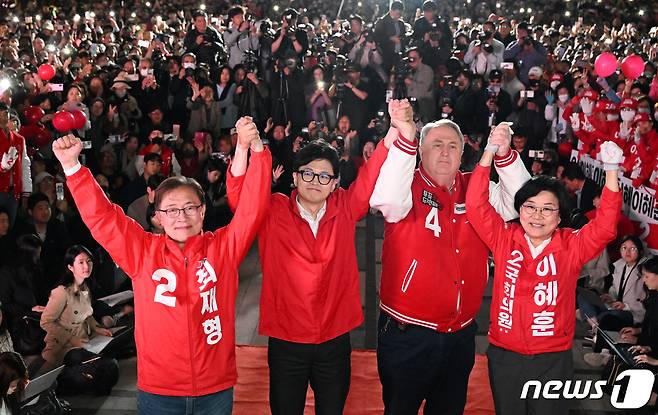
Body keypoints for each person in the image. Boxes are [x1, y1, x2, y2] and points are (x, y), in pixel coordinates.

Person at [51, 115, 270, 414]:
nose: (181, 216)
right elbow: (104, 219)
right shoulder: (142, 251)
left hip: (215, 387)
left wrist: (256, 149)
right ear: (158, 216)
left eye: (190, 207)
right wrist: (73, 169)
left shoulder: (223, 248)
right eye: (171, 209)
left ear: (203, 211)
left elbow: (252, 210)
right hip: (159, 390)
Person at [229, 99, 413, 415]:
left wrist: (397, 132)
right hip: (287, 341)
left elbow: (370, 175)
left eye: (324, 176)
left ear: (334, 183)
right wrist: (246, 148)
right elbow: (238, 198)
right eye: (309, 174)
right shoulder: (272, 211)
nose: (316, 182)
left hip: (334, 340)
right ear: (295, 178)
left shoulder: (345, 208)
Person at [369, 118, 530, 413]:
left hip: (460, 333)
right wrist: (404, 139)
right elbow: (387, 201)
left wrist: (504, 155)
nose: (445, 152)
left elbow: (523, 202)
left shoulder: (476, 186)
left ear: (462, 152)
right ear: (420, 151)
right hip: (408, 333)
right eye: (437, 145)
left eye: (452, 146)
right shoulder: (406, 182)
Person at [465, 136, 623, 415]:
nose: (537, 216)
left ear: (559, 216)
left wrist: (611, 171)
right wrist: (488, 152)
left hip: (552, 358)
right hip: (505, 354)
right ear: (520, 210)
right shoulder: (504, 237)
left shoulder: (571, 245)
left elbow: (606, 227)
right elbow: (476, 206)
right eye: (530, 207)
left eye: (547, 209)